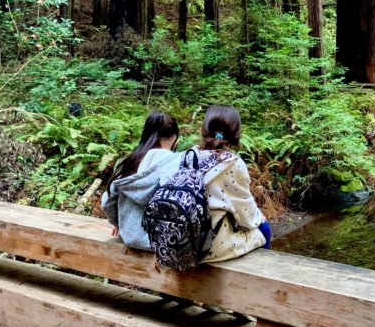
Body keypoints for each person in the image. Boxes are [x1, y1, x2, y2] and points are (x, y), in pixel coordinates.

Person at [195, 104, 270, 262]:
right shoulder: (233, 164)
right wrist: (260, 218)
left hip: (179, 238)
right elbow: (247, 216)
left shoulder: (189, 155)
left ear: (204, 129)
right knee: (265, 229)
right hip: (206, 244)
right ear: (237, 133)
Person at [101, 111, 181, 250]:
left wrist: (119, 223)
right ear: (175, 138)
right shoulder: (175, 162)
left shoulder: (131, 161)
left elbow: (107, 201)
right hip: (164, 242)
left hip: (130, 237)